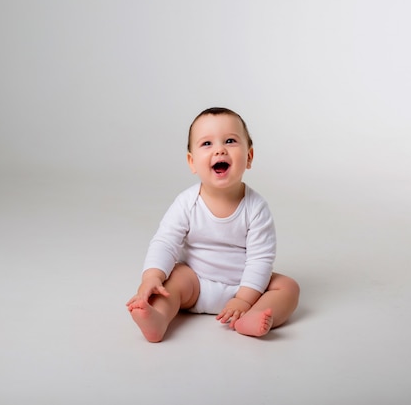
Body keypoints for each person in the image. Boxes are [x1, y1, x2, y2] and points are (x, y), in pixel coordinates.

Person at [126, 107, 300, 342]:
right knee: (173, 277)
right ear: (192, 162)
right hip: (195, 284)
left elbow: (261, 258)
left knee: (288, 288)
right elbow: (165, 242)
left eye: (230, 141)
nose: (220, 149)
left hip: (246, 287)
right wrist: (151, 278)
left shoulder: (256, 207)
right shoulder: (187, 202)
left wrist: (244, 299)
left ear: (249, 157)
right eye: (207, 144)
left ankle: (249, 317)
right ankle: (158, 318)